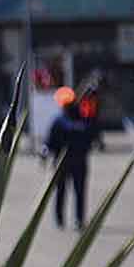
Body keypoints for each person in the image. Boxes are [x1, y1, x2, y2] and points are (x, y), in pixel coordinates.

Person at [42, 86, 96, 230]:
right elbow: (49, 141)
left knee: (78, 192)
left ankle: (78, 219)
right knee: (62, 191)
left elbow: (91, 134)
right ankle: (60, 219)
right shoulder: (59, 121)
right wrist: (45, 153)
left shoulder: (83, 118)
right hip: (63, 162)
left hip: (77, 161)